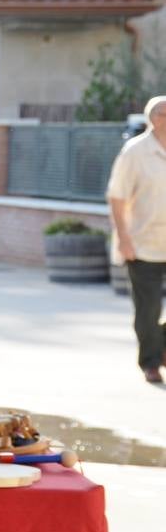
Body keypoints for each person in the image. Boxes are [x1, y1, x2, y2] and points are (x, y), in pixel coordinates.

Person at [107, 95, 166, 384]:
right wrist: (123, 239)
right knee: (149, 308)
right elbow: (116, 197)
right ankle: (151, 362)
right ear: (151, 119)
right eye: (163, 114)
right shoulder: (135, 152)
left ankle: (161, 347)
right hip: (143, 244)